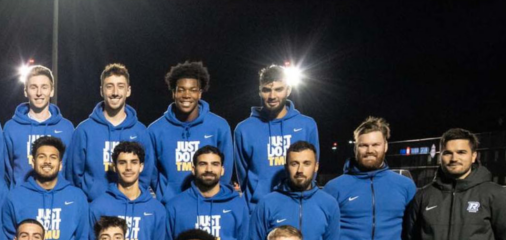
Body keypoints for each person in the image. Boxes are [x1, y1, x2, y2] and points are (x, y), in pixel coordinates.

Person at [244, 141, 339, 240]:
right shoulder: (268, 203)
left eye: (306, 163)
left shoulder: (328, 203)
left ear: (316, 166)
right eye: (294, 163)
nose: (300, 170)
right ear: (286, 166)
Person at [233, 65, 319, 210]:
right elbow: (243, 176)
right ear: (260, 91)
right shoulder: (244, 129)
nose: (272, 96)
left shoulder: (307, 125)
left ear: (288, 90)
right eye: (267, 90)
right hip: (258, 209)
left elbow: (312, 168)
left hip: (296, 206)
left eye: (278, 89)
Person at [163, 145, 248, 240]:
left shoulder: (237, 204)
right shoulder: (175, 206)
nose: (209, 169)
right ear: (193, 169)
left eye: (215, 164)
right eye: (203, 164)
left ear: (222, 170)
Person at [149, 61, 233, 205]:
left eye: (192, 90)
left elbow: (226, 167)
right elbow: (151, 171)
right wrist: (164, 195)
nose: (186, 95)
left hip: (209, 203)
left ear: (200, 93)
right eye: (181, 89)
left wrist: (217, 199)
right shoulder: (155, 129)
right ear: (173, 93)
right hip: (170, 205)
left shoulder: (219, 126)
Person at [67, 63, 154, 202]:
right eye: (109, 86)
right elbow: (73, 176)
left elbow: (146, 174)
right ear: (102, 91)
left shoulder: (140, 131)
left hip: (129, 207)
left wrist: (134, 202)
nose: (115, 92)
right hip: (93, 209)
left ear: (128, 91)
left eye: (120, 86)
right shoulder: (84, 130)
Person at [2, 136, 88, 240]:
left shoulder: (77, 197)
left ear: (60, 164)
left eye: (53, 157)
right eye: (42, 156)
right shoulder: (15, 197)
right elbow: (9, 239)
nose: (47, 161)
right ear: (33, 161)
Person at [89, 141, 167, 240]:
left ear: (141, 166)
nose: (128, 167)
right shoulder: (99, 206)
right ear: (114, 167)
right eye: (122, 162)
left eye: (134, 162)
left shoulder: (156, 209)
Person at [2, 65, 74, 187]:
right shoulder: (11, 128)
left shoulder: (66, 128)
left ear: (51, 91)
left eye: (44, 87)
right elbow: (6, 171)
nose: (39, 93)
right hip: (22, 200)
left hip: (56, 199)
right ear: (26, 91)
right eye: (33, 87)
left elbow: (70, 170)